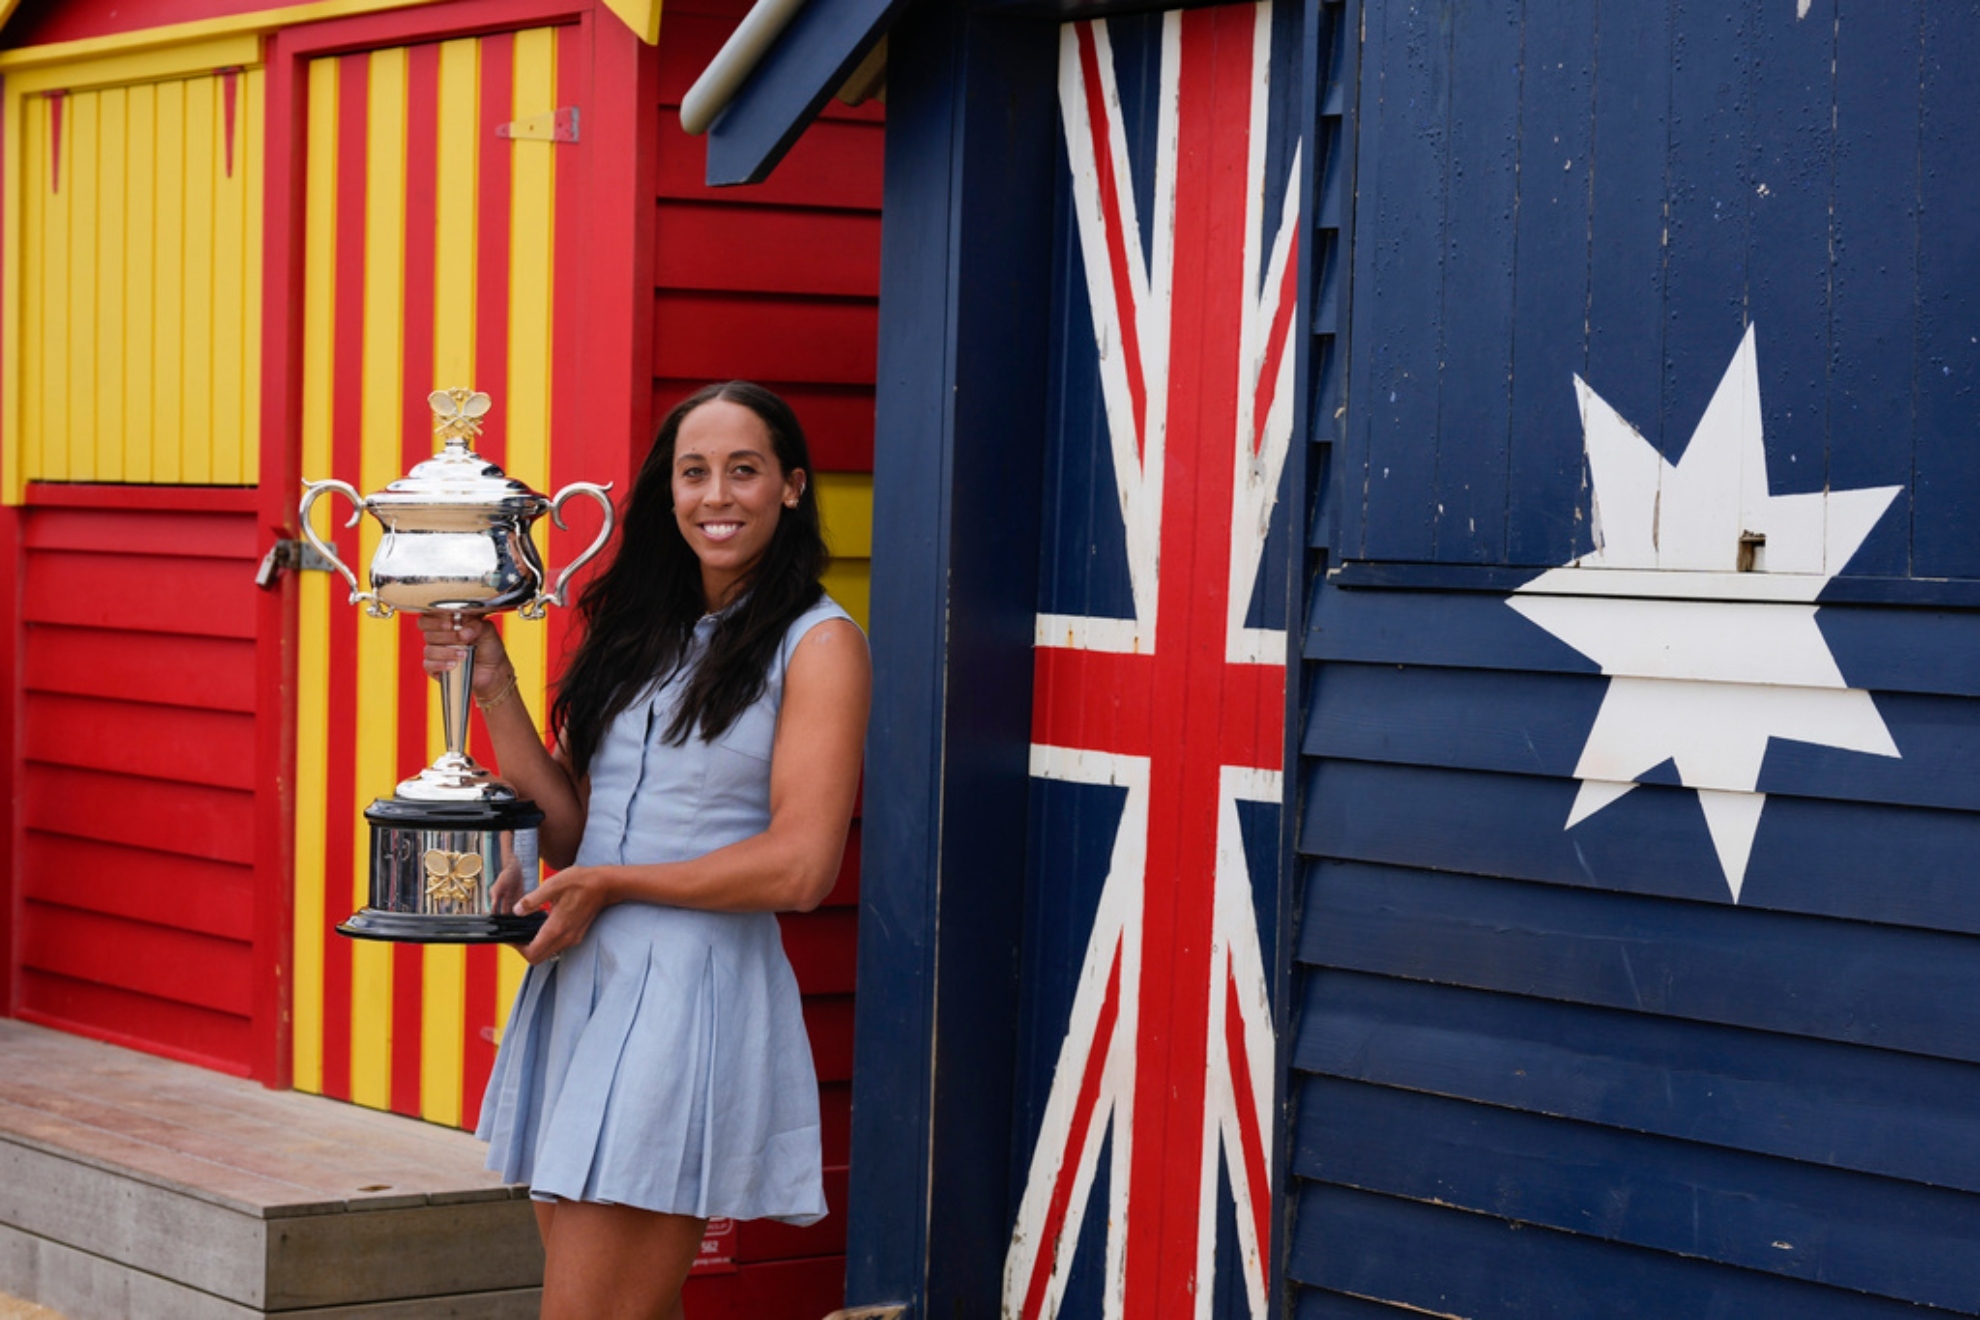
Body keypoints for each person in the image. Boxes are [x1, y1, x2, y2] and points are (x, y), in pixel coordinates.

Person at [417, 381, 870, 1320]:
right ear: (666, 492)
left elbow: (801, 867)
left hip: (690, 995)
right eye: (693, 472)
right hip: (588, 980)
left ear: (790, 487)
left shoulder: (818, 644)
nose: (716, 496)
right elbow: (576, 827)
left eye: (743, 472)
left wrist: (611, 884)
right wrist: (492, 681)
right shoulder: (640, 631)